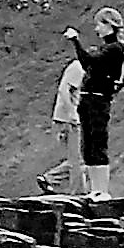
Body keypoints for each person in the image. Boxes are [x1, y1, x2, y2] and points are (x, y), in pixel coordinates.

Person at [61, 8, 124, 202]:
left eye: (100, 24)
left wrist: (76, 41)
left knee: (98, 142)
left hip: (99, 99)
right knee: (88, 145)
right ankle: (95, 189)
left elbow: (89, 61)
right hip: (88, 98)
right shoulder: (105, 49)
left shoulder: (115, 49)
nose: (97, 29)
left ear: (110, 25)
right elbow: (88, 64)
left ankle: (102, 189)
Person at [40, 54, 85, 194]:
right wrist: (71, 113)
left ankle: (50, 178)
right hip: (68, 120)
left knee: (81, 159)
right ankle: (79, 193)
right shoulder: (78, 67)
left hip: (75, 119)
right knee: (77, 160)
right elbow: (63, 89)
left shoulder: (88, 70)